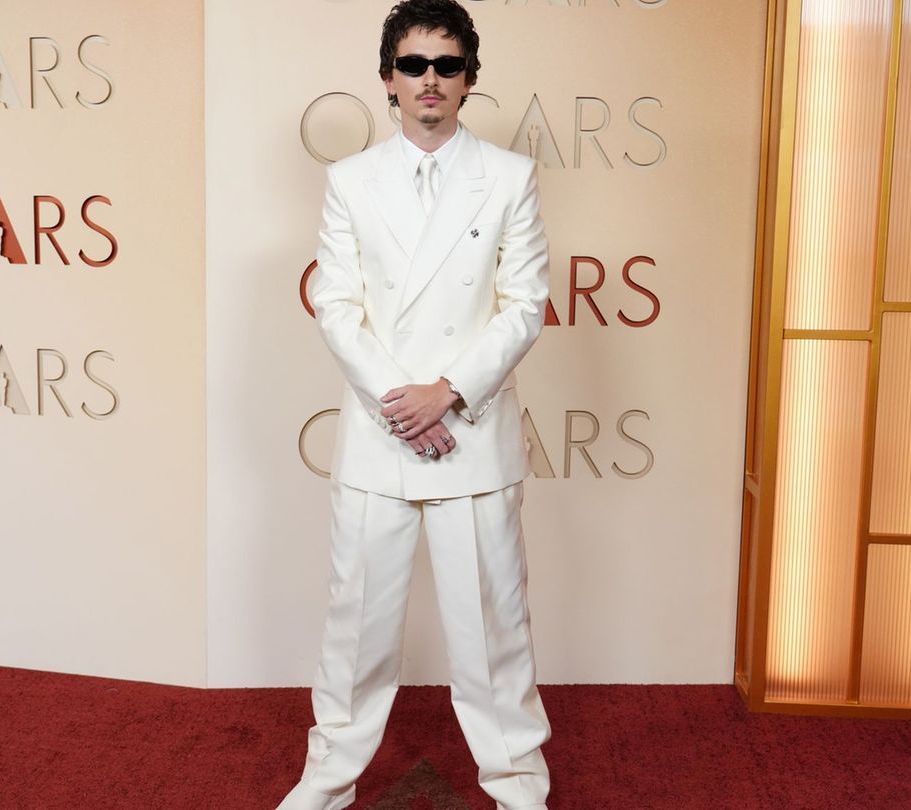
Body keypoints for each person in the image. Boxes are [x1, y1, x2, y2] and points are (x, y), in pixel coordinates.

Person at [277, 1, 553, 809]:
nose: (428, 81)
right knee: (355, 630)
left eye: (445, 65)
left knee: (492, 634)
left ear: (470, 77)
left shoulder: (509, 176)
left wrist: (448, 394)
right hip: (380, 434)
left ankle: (518, 784)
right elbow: (337, 306)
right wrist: (404, 406)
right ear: (387, 79)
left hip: (469, 432)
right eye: (412, 65)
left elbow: (524, 305)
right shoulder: (350, 180)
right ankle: (327, 781)